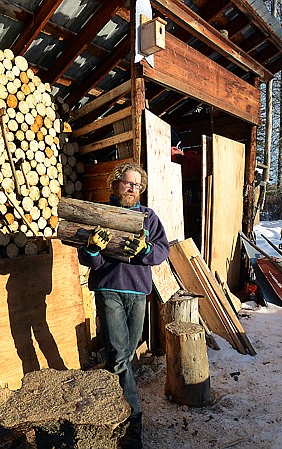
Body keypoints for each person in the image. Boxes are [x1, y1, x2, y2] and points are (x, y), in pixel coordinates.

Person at [78, 162, 169, 449]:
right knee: (119, 356)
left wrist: (147, 249)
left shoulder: (148, 217)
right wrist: (93, 247)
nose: (132, 188)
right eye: (127, 183)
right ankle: (133, 424)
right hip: (109, 289)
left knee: (125, 356)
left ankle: (108, 403)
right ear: (115, 184)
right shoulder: (101, 215)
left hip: (138, 291)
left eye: (137, 185)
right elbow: (88, 259)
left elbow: (162, 250)